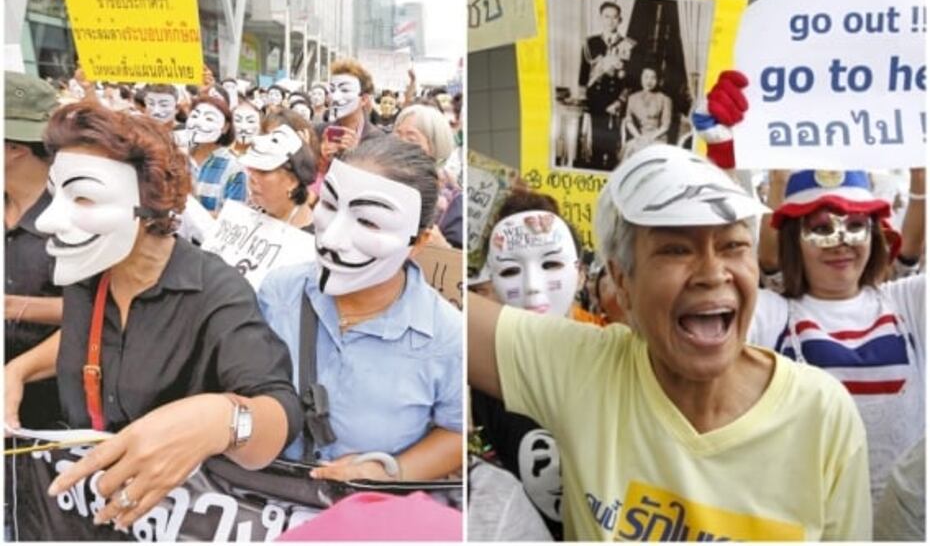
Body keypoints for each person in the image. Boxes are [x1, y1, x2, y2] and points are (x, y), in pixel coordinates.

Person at [468, 143, 871, 540]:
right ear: (622, 281)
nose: (712, 274)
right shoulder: (584, 369)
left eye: (733, 245)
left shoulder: (822, 415)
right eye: (676, 250)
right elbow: (453, 318)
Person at [4, 102, 301, 529]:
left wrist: (219, 420)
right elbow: (92, 337)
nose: (50, 220)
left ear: (149, 205)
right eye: (55, 194)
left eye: (83, 196)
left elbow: (278, 410)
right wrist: (18, 371)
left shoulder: (215, 291)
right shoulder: (90, 271)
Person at [257, 135, 462, 482]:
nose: (332, 239)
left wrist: (391, 472)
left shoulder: (447, 337)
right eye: (329, 205)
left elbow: (455, 431)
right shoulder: (278, 292)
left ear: (419, 242)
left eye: (368, 222)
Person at [749, 169, 925, 511]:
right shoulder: (768, 313)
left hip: (903, 524)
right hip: (806, 520)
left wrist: (921, 180)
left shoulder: (909, 303)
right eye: (821, 229)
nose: (841, 241)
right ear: (793, 241)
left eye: (856, 225)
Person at [471, 191, 586, 540]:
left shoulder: (621, 366)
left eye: (551, 265)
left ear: (580, 273)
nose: (533, 288)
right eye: (510, 270)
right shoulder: (477, 379)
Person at [4, 72, 63, 429]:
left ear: (15, 149)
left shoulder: (76, 221)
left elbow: (100, 316)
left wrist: (11, 306)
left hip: (49, 414)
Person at [578, 1, 638, 170]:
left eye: (614, 17)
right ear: (600, 18)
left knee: (613, 145)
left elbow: (631, 79)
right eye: (607, 17)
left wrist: (620, 101)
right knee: (594, 145)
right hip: (595, 100)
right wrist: (584, 101)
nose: (610, 21)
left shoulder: (629, 45)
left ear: (620, 20)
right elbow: (583, 75)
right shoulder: (590, 43)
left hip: (616, 101)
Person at [393, 103, 461, 247]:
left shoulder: (452, 201)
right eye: (397, 134)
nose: (400, 144)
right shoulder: (379, 178)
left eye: (411, 139)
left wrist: (443, 247)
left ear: (434, 148)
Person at [238, 122, 317, 231]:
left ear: (292, 181)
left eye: (263, 171)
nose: (252, 178)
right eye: (252, 169)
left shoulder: (311, 237)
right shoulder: (246, 215)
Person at [316, 59, 384, 167]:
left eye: (345, 90)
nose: (335, 97)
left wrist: (356, 156)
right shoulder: (318, 132)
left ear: (364, 99)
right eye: (332, 90)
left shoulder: (378, 140)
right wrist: (320, 156)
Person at [185, 95, 247, 214]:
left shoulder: (234, 168)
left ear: (225, 127)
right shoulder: (179, 157)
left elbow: (234, 216)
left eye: (209, 119)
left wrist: (193, 215)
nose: (198, 123)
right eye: (194, 116)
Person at [622, 64, 673, 159]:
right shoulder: (632, 98)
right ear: (641, 78)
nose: (649, 81)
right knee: (631, 153)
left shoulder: (665, 99)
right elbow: (628, 121)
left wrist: (650, 138)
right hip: (639, 137)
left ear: (658, 80)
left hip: (658, 138)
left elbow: (665, 126)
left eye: (653, 78)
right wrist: (638, 137)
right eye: (646, 77)